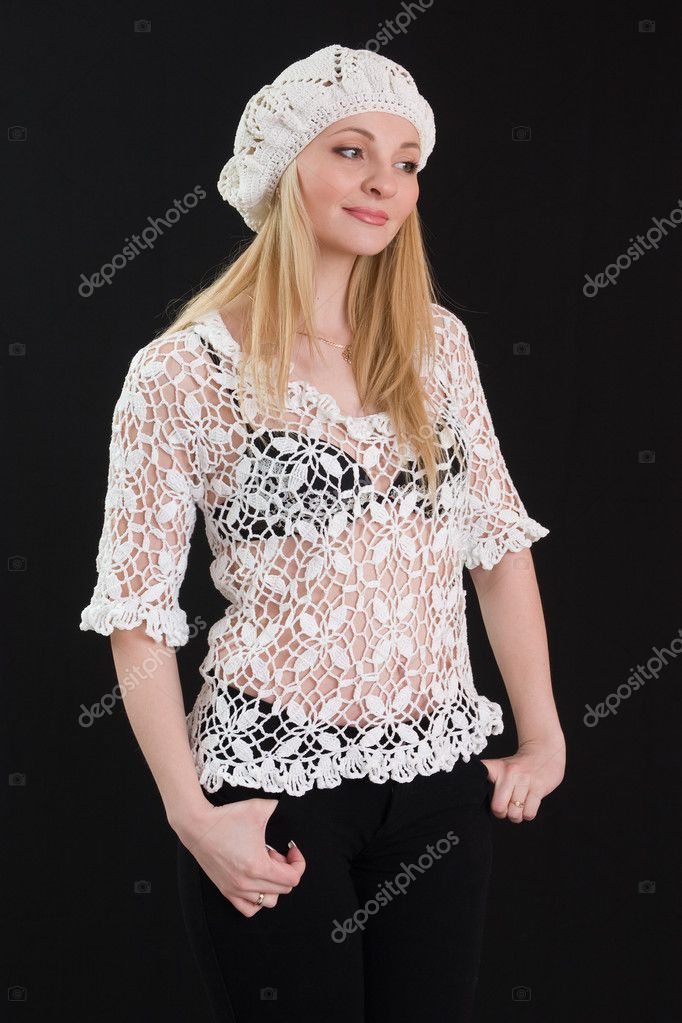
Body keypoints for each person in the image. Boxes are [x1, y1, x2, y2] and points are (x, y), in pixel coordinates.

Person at [79, 42, 565, 1023]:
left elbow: (497, 546)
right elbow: (137, 613)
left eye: (405, 161)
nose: (383, 181)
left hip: (440, 792)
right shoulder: (183, 373)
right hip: (271, 799)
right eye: (350, 150)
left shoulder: (439, 346)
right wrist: (190, 815)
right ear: (283, 167)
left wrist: (544, 733)